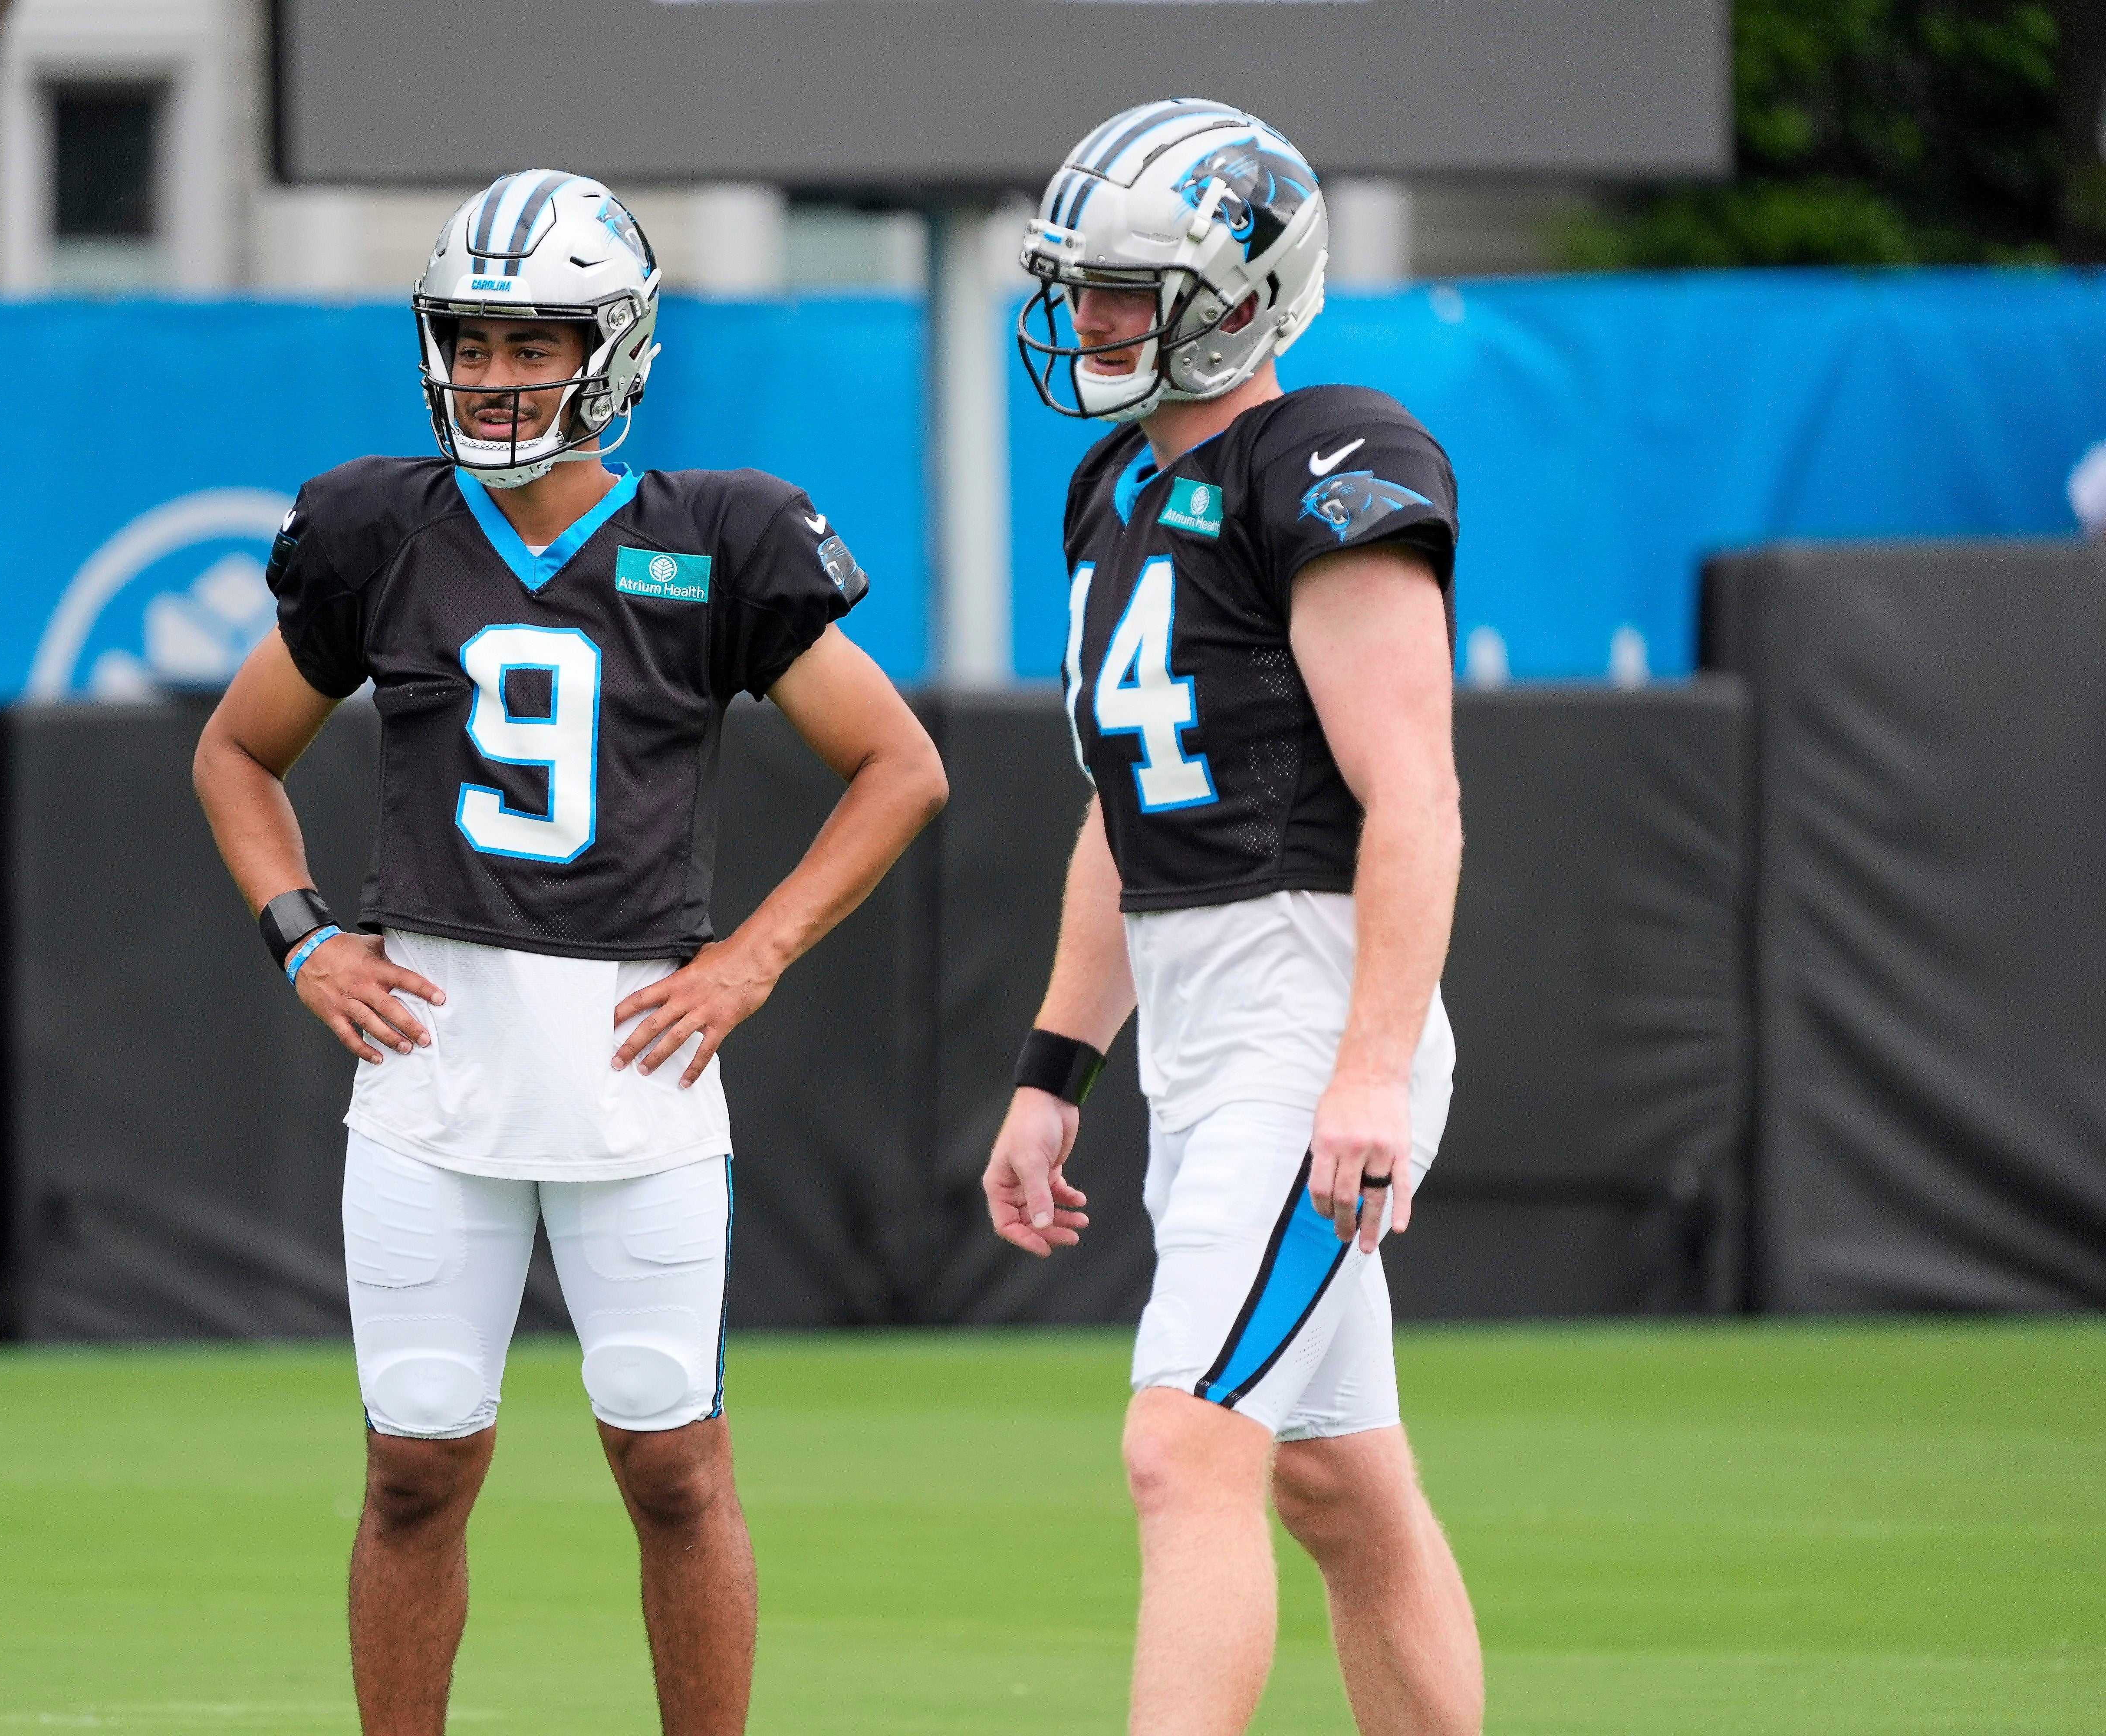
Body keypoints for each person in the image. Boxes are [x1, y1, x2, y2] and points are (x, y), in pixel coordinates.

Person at [193, 170, 946, 1736]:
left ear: (614, 351)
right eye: (470, 342)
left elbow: (902, 767)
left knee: (675, 1465)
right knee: (414, 1468)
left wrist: (752, 959)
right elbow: (235, 754)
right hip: (433, 1063)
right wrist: (303, 939)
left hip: (633, 1060)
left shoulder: (718, 535)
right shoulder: (380, 529)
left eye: (532, 343)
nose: (492, 375)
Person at [987, 100, 1483, 1734]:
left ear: (1244, 294)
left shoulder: (1328, 459)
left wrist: (1370, 1069)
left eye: (1125, 290)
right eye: (1079, 286)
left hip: (1309, 1002)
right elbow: (1122, 815)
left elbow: (1415, 798)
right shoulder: (1110, 491)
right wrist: (1054, 1070)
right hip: (1201, 1026)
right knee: (1340, 1486)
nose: (1087, 320)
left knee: (1183, 1444)